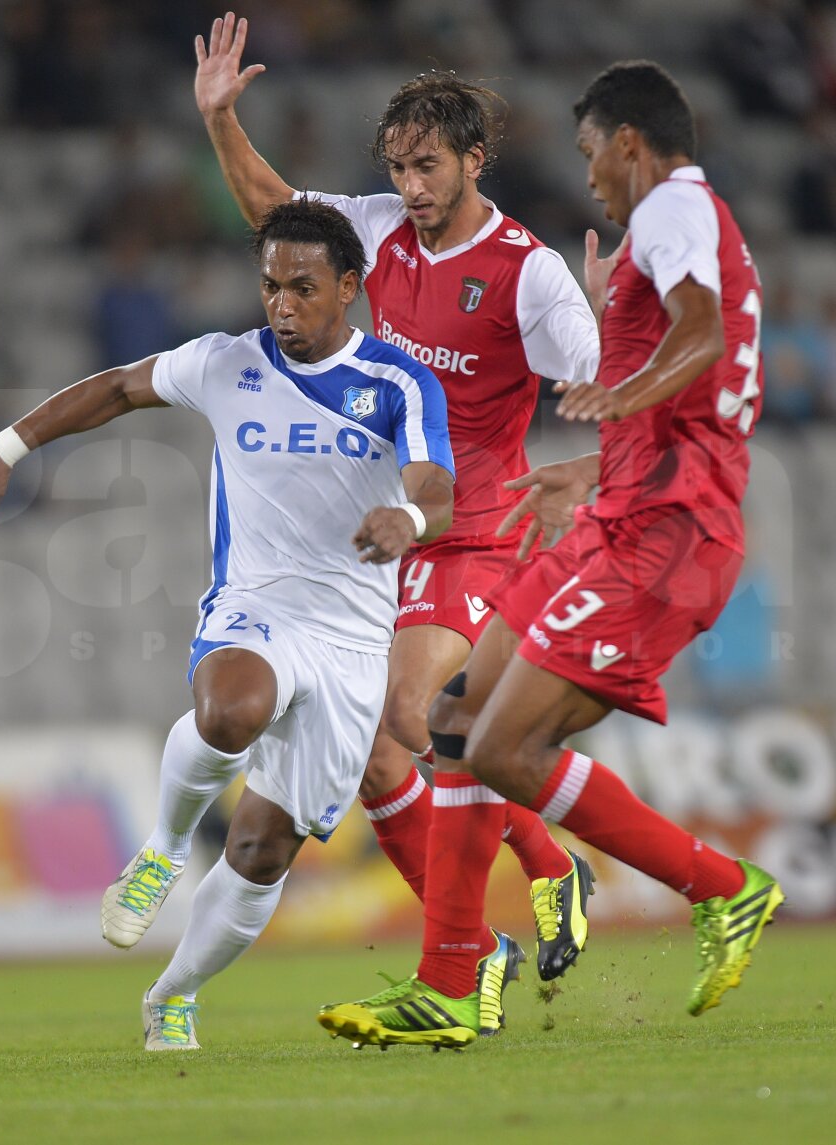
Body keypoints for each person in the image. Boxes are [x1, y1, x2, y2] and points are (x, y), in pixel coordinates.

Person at [318, 60, 785, 1049]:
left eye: (589, 154)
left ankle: (725, 886)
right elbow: (692, 347)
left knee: (501, 746)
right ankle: (450, 978)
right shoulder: (667, 232)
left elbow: (700, 335)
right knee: (451, 717)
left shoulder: (670, 208)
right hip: (627, 508)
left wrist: (620, 391)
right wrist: (600, 446)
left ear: (627, 143)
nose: (589, 180)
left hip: (671, 530)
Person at [0, 198, 459, 1051]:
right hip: (255, 604)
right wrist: (6, 448)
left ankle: (171, 993)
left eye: (302, 287)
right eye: (269, 287)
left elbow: (436, 488)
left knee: (261, 851)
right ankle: (160, 849)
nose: (281, 305)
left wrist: (407, 515)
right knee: (230, 708)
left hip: (354, 639)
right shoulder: (225, 362)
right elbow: (113, 389)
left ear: (350, 289)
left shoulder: (399, 382)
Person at [195, 12, 601, 1008]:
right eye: (398, 166)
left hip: (476, 530)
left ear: (474, 159)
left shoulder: (529, 274)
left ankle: (555, 870)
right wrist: (219, 120)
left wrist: (592, 450)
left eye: (428, 166)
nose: (411, 186)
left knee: (414, 713)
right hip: (385, 532)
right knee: (365, 749)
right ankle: (471, 949)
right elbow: (275, 214)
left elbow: (605, 390)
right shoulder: (372, 228)